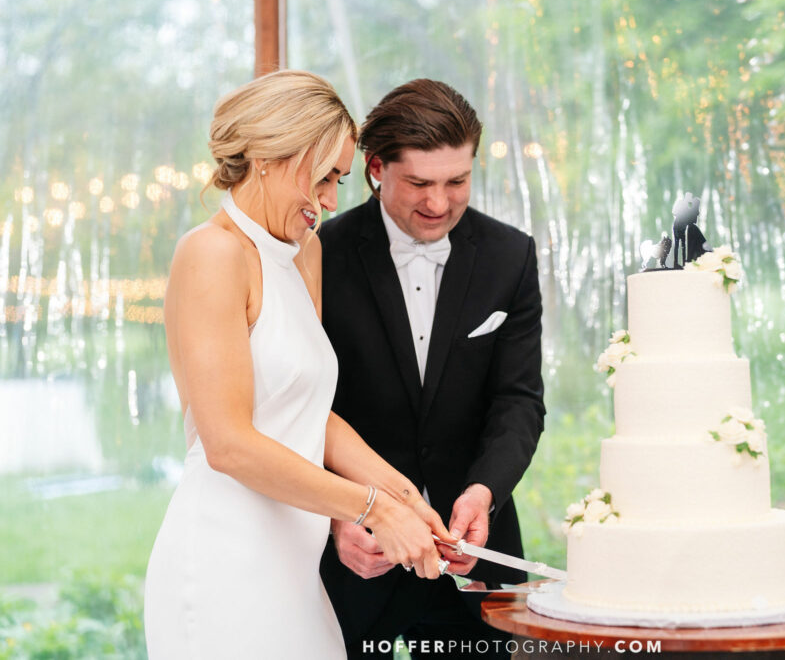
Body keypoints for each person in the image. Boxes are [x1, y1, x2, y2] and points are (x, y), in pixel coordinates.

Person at [144, 70, 453, 660]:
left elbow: (311, 412)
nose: (331, 201)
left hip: (293, 564)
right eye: (323, 178)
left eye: (338, 179)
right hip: (222, 565)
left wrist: (404, 498)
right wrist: (371, 508)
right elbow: (229, 444)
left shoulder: (302, 252)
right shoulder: (211, 254)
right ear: (268, 156)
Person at [318, 79, 545, 659]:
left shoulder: (510, 255)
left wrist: (484, 492)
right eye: (419, 183)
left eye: (457, 181)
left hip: (472, 561)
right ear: (375, 168)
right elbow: (305, 407)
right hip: (353, 558)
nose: (439, 203)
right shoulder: (319, 254)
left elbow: (519, 400)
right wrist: (341, 517)